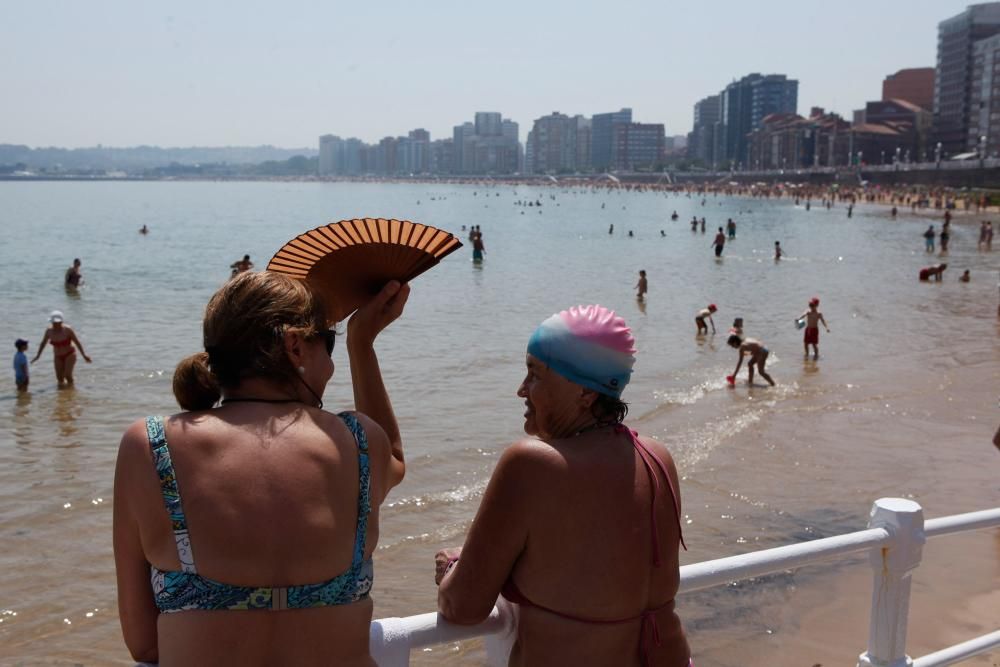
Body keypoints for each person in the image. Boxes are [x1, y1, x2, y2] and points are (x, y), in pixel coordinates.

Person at [113, 271, 409, 665]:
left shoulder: (150, 447)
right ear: (295, 347)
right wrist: (362, 343)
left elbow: (144, 642)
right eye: (330, 343)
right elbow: (394, 458)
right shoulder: (357, 443)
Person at [434, 305, 691, 667]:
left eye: (534, 374)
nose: (520, 390)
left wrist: (453, 567)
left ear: (585, 393)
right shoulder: (655, 457)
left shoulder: (531, 464)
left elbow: (462, 606)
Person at [31, 311, 91, 386]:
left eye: (57, 323)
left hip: (70, 354)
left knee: (67, 375)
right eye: (53, 323)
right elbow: (43, 343)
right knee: (59, 378)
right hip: (58, 356)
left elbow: (77, 342)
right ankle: (63, 394)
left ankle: (71, 390)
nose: (55, 325)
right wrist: (38, 356)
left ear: (61, 321)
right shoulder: (49, 331)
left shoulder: (68, 330)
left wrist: (84, 355)